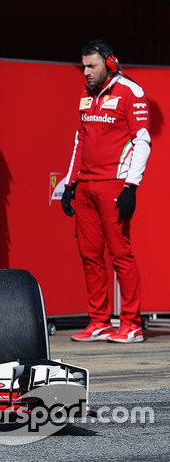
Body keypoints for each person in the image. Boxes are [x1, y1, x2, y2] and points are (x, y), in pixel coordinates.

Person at [61, 40, 151, 344]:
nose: (85, 72)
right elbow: (79, 141)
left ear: (110, 63)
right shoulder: (86, 96)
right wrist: (70, 183)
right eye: (83, 66)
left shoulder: (130, 92)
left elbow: (142, 141)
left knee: (120, 254)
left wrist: (131, 186)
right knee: (89, 256)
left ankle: (131, 323)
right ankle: (99, 320)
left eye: (91, 66)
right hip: (86, 185)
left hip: (114, 184)